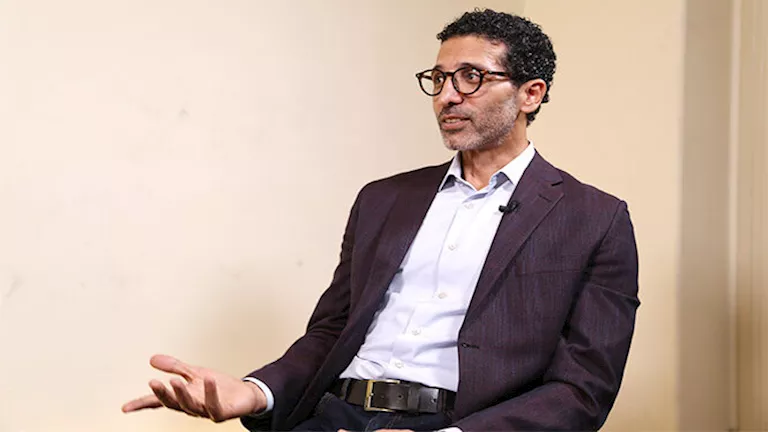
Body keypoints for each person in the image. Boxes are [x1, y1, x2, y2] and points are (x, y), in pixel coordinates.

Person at [122, 9, 639, 431]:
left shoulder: (595, 219)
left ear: (531, 93)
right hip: (333, 417)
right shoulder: (383, 199)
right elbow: (332, 332)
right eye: (439, 78)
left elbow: (583, 390)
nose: (447, 96)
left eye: (472, 77)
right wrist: (255, 391)